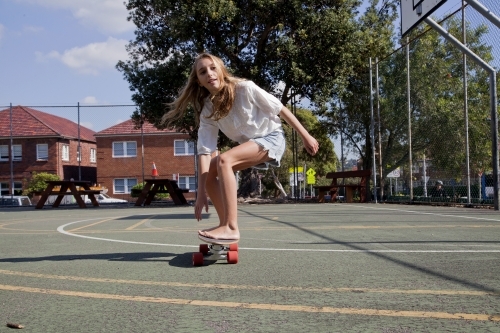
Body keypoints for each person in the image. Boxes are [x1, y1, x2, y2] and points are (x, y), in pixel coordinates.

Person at [162, 53, 319, 241]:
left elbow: (280, 109)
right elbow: (205, 151)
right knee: (211, 170)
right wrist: (201, 192)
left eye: (213, 68)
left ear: (222, 70)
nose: (209, 74)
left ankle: (231, 227)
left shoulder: (245, 88)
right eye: (203, 72)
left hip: (272, 138)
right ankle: (224, 225)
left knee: (224, 160)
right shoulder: (208, 110)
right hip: (251, 146)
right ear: (199, 81)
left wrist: (306, 136)